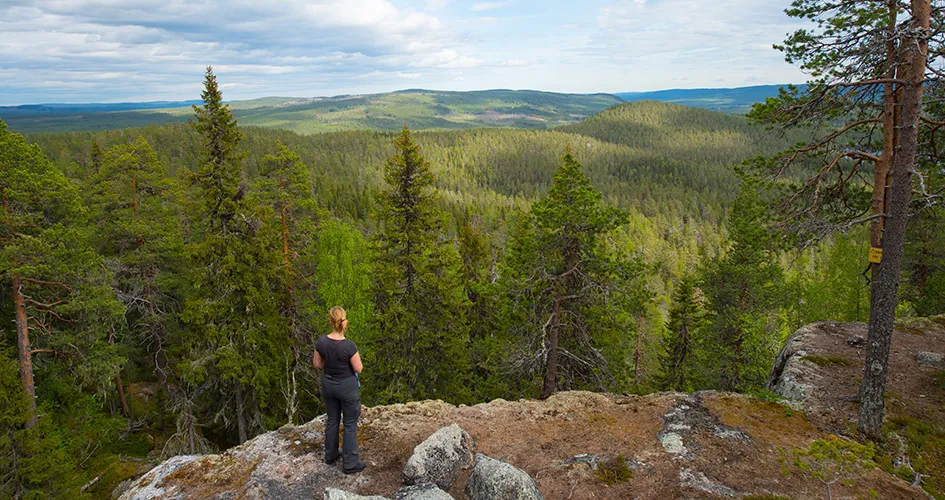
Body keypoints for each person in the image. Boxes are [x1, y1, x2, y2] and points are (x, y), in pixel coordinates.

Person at [313, 306, 366, 474]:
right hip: (346, 388)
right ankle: (350, 464)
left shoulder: (322, 341)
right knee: (350, 423)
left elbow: (317, 364)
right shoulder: (349, 346)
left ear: (330, 321)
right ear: (344, 321)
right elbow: (358, 368)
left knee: (332, 419)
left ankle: (331, 454)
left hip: (329, 385)